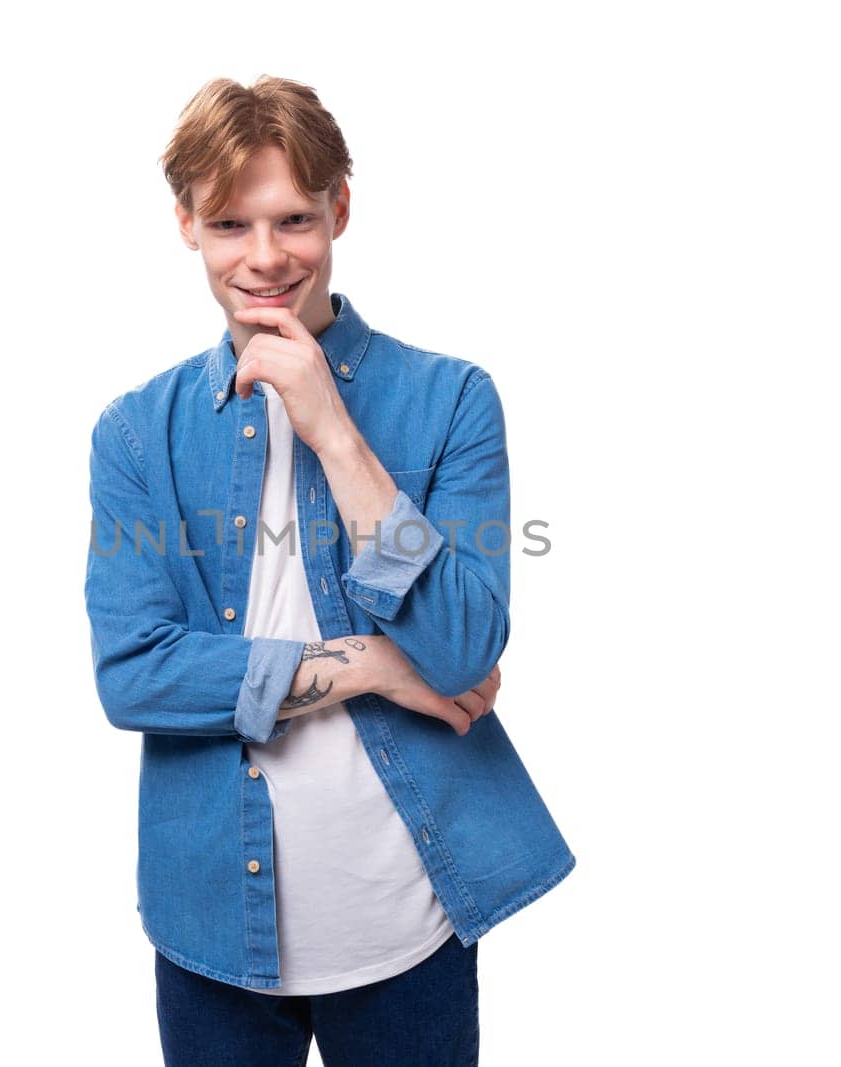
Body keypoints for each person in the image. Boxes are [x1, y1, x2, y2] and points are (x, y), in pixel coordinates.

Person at [84, 74, 575, 1066]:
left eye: (292, 219)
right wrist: (370, 665)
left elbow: (464, 643)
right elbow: (133, 674)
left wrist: (333, 430)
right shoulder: (137, 434)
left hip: (406, 922)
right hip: (214, 929)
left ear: (339, 208)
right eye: (229, 223)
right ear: (186, 224)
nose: (263, 257)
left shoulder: (451, 401)